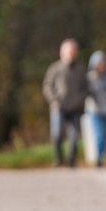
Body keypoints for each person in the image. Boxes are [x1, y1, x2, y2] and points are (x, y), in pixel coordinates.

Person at [42, 38, 88, 167]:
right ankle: (58, 159)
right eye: (69, 52)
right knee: (57, 134)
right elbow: (47, 86)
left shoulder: (80, 69)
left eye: (73, 52)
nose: (71, 54)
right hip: (58, 107)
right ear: (62, 52)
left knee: (74, 137)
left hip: (75, 108)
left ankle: (72, 160)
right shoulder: (55, 68)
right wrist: (55, 100)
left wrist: (79, 100)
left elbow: (86, 88)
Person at [85, 50, 106, 167]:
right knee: (99, 134)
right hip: (95, 111)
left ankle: (104, 155)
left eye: (103, 63)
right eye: (99, 63)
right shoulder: (90, 78)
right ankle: (99, 159)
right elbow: (87, 93)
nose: (102, 66)